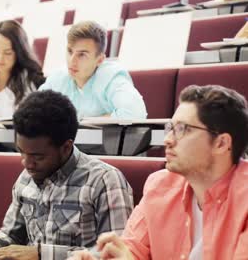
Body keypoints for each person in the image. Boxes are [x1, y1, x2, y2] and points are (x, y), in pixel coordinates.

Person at [68, 85, 248, 260]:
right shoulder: (160, 186)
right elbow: (132, 251)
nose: (168, 140)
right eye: (170, 128)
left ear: (221, 143)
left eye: (182, 129)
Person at [0, 90, 134, 259]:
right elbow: (11, 238)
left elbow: (116, 252)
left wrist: (42, 254)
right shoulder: (26, 179)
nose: (26, 163)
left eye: (37, 156)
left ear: (66, 147)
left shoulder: (104, 180)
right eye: (21, 152)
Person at [39, 21, 147, 120]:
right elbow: (33, 111)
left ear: (100, 60)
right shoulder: (57, 78)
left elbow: (136, 114)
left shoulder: (112, 77)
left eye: (82, 55)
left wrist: (81, 123)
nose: (72, 61)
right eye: (70, 51)